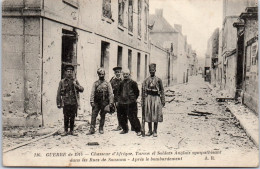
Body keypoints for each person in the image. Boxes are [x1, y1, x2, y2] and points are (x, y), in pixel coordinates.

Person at [56, 65, 84, 136]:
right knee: (66, 117)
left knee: (72, 117)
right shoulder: (62, 82)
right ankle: (65, 131)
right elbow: (59, 93)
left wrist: (76, 85)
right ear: (65, 72)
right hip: (65, 102)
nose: (69, 73)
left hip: (74, 102)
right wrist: (58, 103)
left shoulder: (75, 81)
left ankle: (71, 131)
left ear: (72, 72)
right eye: (68, 71)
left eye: (71, 72)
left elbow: (82, 89)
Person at [142, 63, 165, 137]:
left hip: (156, 98)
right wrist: (143, 100)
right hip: (148, 98)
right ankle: (150, 130)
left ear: (155, 70)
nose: (152, 72)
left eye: (153, 70)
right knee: (149, 114)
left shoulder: (158, 80)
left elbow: (162, 90)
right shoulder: (146, 80)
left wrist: (163, 100)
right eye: (150, 70)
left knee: (155, 114)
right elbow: (143, 90)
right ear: (149, 71)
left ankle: (155, 131)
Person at [88, 68, 114, 135]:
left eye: (103, 74)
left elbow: (111, 93)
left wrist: (111, 102)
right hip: (96, 102)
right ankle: (92, 128)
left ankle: (101, 128)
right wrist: (91, 101)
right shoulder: (95, 83)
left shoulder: (107, 83)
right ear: (98, 75)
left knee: (102, 115)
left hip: (104, 102)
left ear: (104, 74)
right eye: (100, 74)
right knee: (94, 115)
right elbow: (92, 93)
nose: (102, 75)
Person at [117, 68, 142, 136]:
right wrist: (119, 100)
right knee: (122, 116)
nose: (125, 76)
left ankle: (138, 130)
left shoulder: (133, 83)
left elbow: (137, 92)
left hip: (131, 103)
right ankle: (125, 129)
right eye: (124, 74)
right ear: (122, 75)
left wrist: (133, 99)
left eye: (127, 74)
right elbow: (118, 92)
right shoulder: (121, 83)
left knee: (133, 117)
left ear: (129, 74)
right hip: (122, 102)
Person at [110, 66, 123, 131]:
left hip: (124, 98)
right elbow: (110, 89)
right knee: (118, 112)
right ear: (115, 73)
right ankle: (119, 125)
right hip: (117, 98)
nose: (118, 73)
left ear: (121, 72)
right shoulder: (112, 80)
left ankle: (125, 125)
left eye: (119, 72)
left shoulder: (123, 79)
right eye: (116, 72)